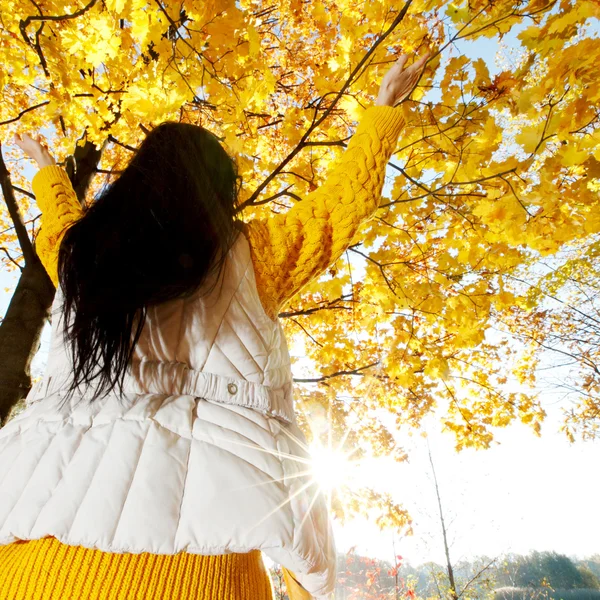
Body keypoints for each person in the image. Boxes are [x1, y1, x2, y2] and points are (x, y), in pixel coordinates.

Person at [0, 50, 429, 599]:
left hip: (34, 561)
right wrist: (382, 112)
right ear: (216, 190)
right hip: (207, 575)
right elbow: (341, 204)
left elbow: (56, 227)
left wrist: (45, 169)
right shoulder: (253, 255)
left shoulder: (81, 260)